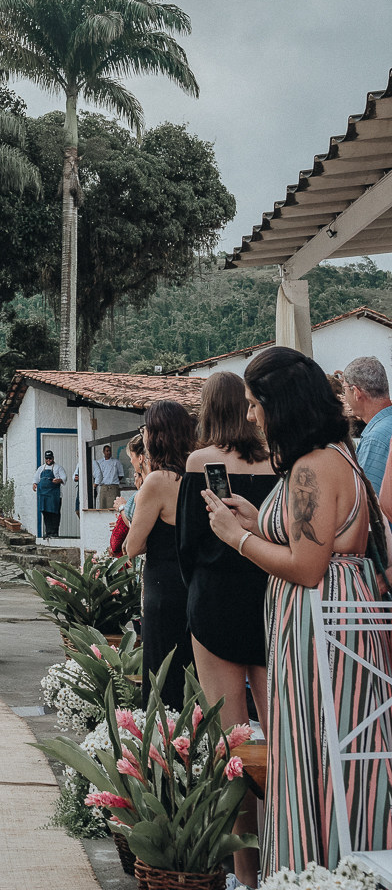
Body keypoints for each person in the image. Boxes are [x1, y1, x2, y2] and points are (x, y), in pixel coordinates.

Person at [204, 347, 392, 877]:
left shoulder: (311, 469)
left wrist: (238, 538)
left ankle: (317, 869)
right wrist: (256, 520)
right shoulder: (338, 455)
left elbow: (308, 567)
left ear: (280, 403)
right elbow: (316, 541)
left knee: (315, 748)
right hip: (330, 623)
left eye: (254, 403)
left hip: (318, 631)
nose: (250, 415)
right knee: (331, 749)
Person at [176, 372, 277, 889]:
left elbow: (188, 545)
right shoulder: (277, 460)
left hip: (215, 603)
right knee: (280, 738)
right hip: (269, 603)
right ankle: (288, 856)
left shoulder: (201, 462)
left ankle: (245, 875)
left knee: (231, 745)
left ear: (209, 409)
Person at [124, 401, 195, 711]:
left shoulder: (158, 481)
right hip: (193, 583)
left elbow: (133, 546)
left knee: (162, 680)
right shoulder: (197, 473)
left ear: (156, 434)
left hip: (163, 587)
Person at [341, 356, 392, 490]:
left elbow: (369, 498)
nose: (344, 396)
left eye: (344, 389)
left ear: (356, 392)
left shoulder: (374, 439)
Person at [33, 450, 66, 538]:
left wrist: (59, 480)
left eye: (50, 458)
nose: (48, 460)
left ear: (53, 458)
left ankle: (54, 533)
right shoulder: (41, 468)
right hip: (43, 495)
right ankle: (48, 532)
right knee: (46, 513)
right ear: (45, 458)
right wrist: (34, 484)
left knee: (54, 513)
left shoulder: (58, 468)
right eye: (47, 458)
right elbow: (36, 478)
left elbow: (64, 477)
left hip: (54, 495)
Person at [93, 443, 125, 508]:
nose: (109, 452)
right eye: (107, 451)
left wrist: (113, 480)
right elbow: (96, 475)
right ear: (103, 452)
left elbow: (121, 474)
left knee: (113, 506)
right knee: (103, 506)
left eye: (110, 451)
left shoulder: (116, 462)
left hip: (113, 487)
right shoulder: (99, 462)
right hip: (103, 487)